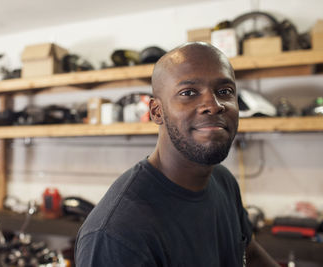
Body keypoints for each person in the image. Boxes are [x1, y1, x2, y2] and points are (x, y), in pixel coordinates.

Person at [75, 42, 279, 267]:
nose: (213, 105)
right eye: (188, 93)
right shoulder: (116, 234)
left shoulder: (223, 181)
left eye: (224, 91)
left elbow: (249, 254)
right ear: (156, 111)